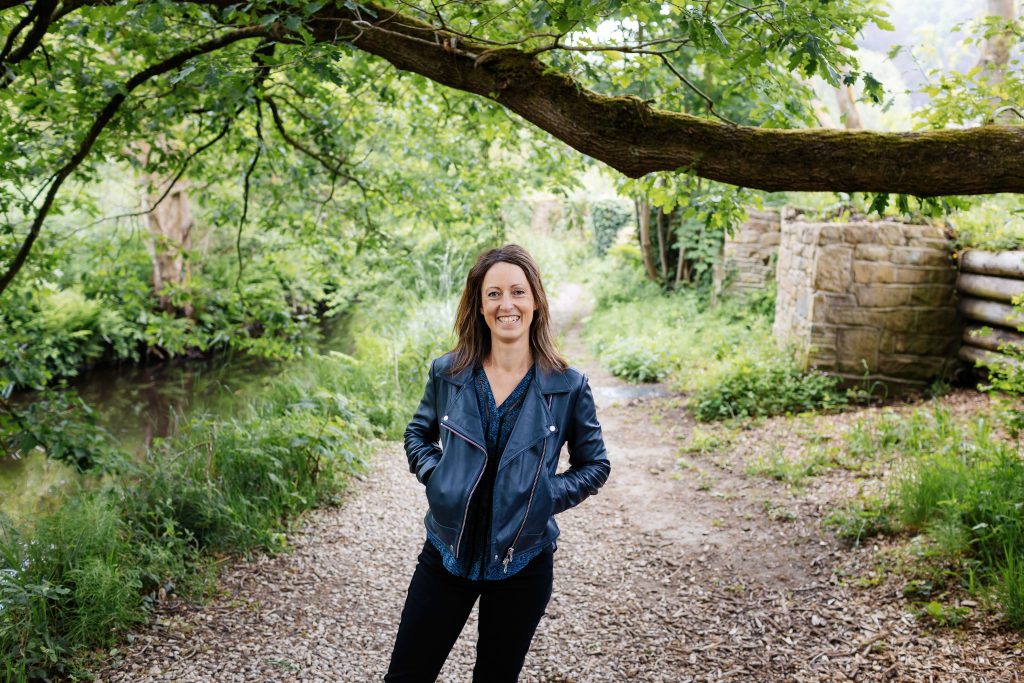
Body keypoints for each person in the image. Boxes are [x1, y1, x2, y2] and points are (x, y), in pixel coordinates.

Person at [385, 244, 611, 682]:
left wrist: (544, 496)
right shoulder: (449, 372)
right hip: (447, 555)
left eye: (517, 292)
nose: (506, 304)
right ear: (479, 305)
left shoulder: (567, 385)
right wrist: (438, 477)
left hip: (522, 564)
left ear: (535, 301)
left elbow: (595, 464)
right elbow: (418, 434)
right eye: (493, 294)